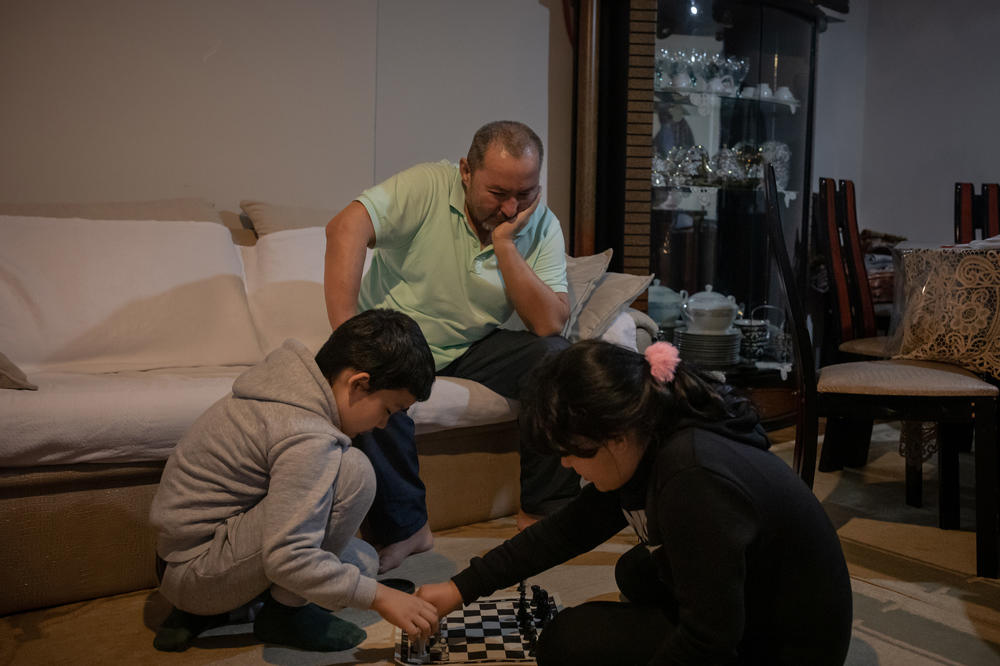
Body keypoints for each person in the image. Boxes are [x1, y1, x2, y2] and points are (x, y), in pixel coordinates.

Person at [417, 340, 853, 665]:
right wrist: (460, 588)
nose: (567, 465)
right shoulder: (648, 436)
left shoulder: (692, 479)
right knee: (636, 569)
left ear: (616, 437)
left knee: (567, 641)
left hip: (788, 646)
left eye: (573, 452)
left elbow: (709, 640)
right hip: (758, 597)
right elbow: (565, 531)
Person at [324, 120, 578, 572]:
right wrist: (346, 331)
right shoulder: (427, 186)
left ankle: (545, 514)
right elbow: (346, 227)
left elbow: (549, 324)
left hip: (471, 342)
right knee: (379, 379)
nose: (511, 207)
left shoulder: (538, 224)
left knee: (558, 361)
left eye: (526, 192)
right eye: (498, 193)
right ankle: (408, 531)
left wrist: (506, 245)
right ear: (466, 170)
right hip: (401, 335)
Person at [149, 309, 441, 653]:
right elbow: (288, 557)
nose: (381, 426)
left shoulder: (286, 387)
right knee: (354, 471)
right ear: (359, 383)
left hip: (182, 556)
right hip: (197, 574)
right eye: (388, 411)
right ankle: (284, 614)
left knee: (363, 560)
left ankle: (236, 607)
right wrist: (381, 598)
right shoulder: (306, 434)